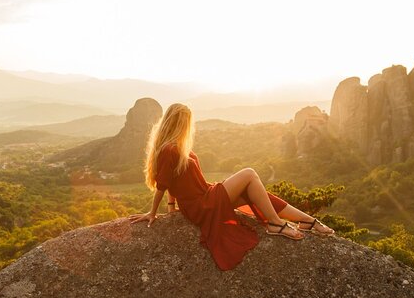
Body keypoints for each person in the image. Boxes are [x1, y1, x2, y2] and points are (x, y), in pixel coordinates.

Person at [128, 103, 334, 270]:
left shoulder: (177, 148)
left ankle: (308, 221)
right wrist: (153, 213)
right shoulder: (169, 149)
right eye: (186, 122)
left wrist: (172, 208)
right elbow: (163, 184)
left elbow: (173, 181)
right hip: (202, 204)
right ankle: (275, 223)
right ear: (178, 123)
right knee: (250, 173)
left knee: (256, 192)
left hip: (206, 195)